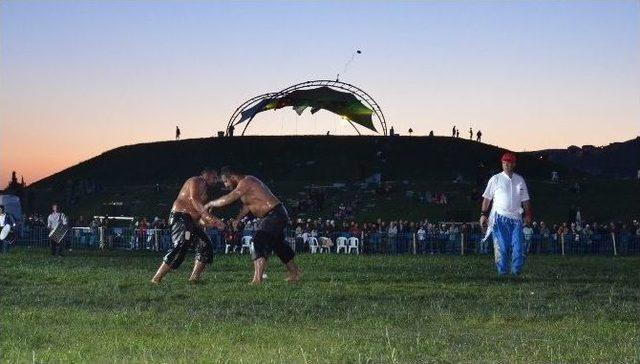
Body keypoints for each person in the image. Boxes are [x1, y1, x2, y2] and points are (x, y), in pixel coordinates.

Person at [205, 166, 301, 284]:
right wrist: (237, 219)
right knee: (279, 246)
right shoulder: (244, 188)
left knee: (258, 241)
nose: (225, 185)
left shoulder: (247, 181)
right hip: (274, 215)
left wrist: (211, 203)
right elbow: (247, 206)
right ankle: (295, 273)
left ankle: (257, 279)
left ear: (233, 177)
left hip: (274, 214)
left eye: (226, 181)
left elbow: (229, 198)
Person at [151, 168, 225, 284]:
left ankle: (194, 279)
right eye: (214, 177)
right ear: (206, 175)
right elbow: (193, 200)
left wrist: (211, 223)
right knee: (181, 244)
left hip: (191, 223)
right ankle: (156, 278)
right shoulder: (197, 180)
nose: (216, 180)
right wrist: (211, 218)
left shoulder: (205, 190)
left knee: (205, 245)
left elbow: (199, 215)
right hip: (181, 218)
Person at [479, 152, 532, 276]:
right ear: (502, 164)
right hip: (499, 218)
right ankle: (502, 274)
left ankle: (516, 272)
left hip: (517, 219)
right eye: (504, 163)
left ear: (514, 164)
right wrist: (483, 214)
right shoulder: (495, 179)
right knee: (502, 248)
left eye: (509, 163)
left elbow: (525, 200)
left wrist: (528, 214)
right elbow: (487, 198)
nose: (507, 165)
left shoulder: (520, 180)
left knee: (518, 248)